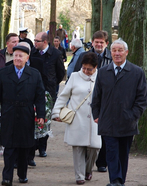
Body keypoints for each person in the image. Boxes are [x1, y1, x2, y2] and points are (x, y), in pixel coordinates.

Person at [0, 43, 46, 186]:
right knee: (9, 147)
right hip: (9, 114)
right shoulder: (4, 73)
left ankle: (22, 174)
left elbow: (39, 97)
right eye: (15, 55)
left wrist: (41, 115)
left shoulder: (34, 74)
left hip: (26, 115)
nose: (17, 58)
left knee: (24, 148)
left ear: (27, 58)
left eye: (20, 56)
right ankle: (7, 177)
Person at [91, 39, 147, 186]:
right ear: (111, 53)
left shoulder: (136, 72)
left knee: (123, 154)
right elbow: (96, 96)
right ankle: (115, 180)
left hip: (127, 122)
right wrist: (96, 114)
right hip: (107, 121)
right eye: (114, 50)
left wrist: (133, 115)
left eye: (120, 50)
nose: (117, 53)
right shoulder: (103, 72)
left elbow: (142, 99)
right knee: (111, 152)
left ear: (126, 52)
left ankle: (120, 180)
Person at [51, 52, 101, 185]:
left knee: (95, 147)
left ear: (96, 67)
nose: (85, 71)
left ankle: (88, 170)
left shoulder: (102, 77)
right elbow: (63, 96)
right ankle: (79, 176)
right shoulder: (74, 76)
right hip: (77, 118)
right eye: (84, 68)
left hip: (95, 119)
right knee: (78, 147)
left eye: (89, 69)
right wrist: (56, 112)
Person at [73, 30, 112, 172]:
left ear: (106, 43)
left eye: (102, 42)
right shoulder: (84, 56)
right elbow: (77, 73)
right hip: (87, 97)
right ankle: (85, 160)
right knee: (85, 129)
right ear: (92, 43)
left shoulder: (111, 56)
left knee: (103, 131)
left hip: (105, 98)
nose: (99, 44)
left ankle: (102, 162)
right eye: (96, 42)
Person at [30, 31, 65, 158]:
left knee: (46, 119)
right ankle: (33, 146)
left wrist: (52, 83)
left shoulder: (56, 54)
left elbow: (61, 73)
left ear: (44, 42)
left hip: (48, 92)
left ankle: (42, 147)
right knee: (34, 118)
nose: (34, 43)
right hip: (34, 91)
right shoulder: (33, 53)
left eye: (37, 41)